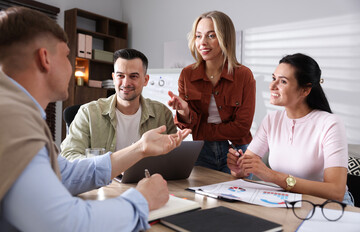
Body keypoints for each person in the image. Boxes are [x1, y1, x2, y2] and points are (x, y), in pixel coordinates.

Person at [0, 6, 191, 232]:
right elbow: (70, 228)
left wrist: (141, 148)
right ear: (45, 58)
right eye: (67, 55)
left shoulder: (15, 112)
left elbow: (66, 174)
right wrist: (142, 199)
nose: (72, 67)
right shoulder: (12, 120)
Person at [227, 53, 353, 205]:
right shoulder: (271, 120)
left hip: (329, 207)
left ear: (305, 90)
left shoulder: (330, 124)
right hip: (287, 202)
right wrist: (239, 169)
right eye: (274, 78)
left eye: (283, 81)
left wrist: (272, 176)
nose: (272, 86)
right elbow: (245, 167)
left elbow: (336, 192)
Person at [168, 11, 256, 173]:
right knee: (199, 197)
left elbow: (242, 127)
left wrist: (201, 130)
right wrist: (183, 110)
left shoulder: (244, 75)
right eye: (198, 36)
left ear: (225, 38)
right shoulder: (187, 74)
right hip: (202, 150)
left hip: (237, 151)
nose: (202, 42)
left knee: (234, 197)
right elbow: (187, 124)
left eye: (211, 36)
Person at [61, 48, 177, 160]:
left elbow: (175, 155)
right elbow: (69, 155)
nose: (126, 83)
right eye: (120, 76)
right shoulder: (88, 113)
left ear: (145, 80)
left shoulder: (162, 113)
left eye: (133, 76)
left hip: (149, 178)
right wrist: (102, 166)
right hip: (106, 179)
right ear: (113, 78)